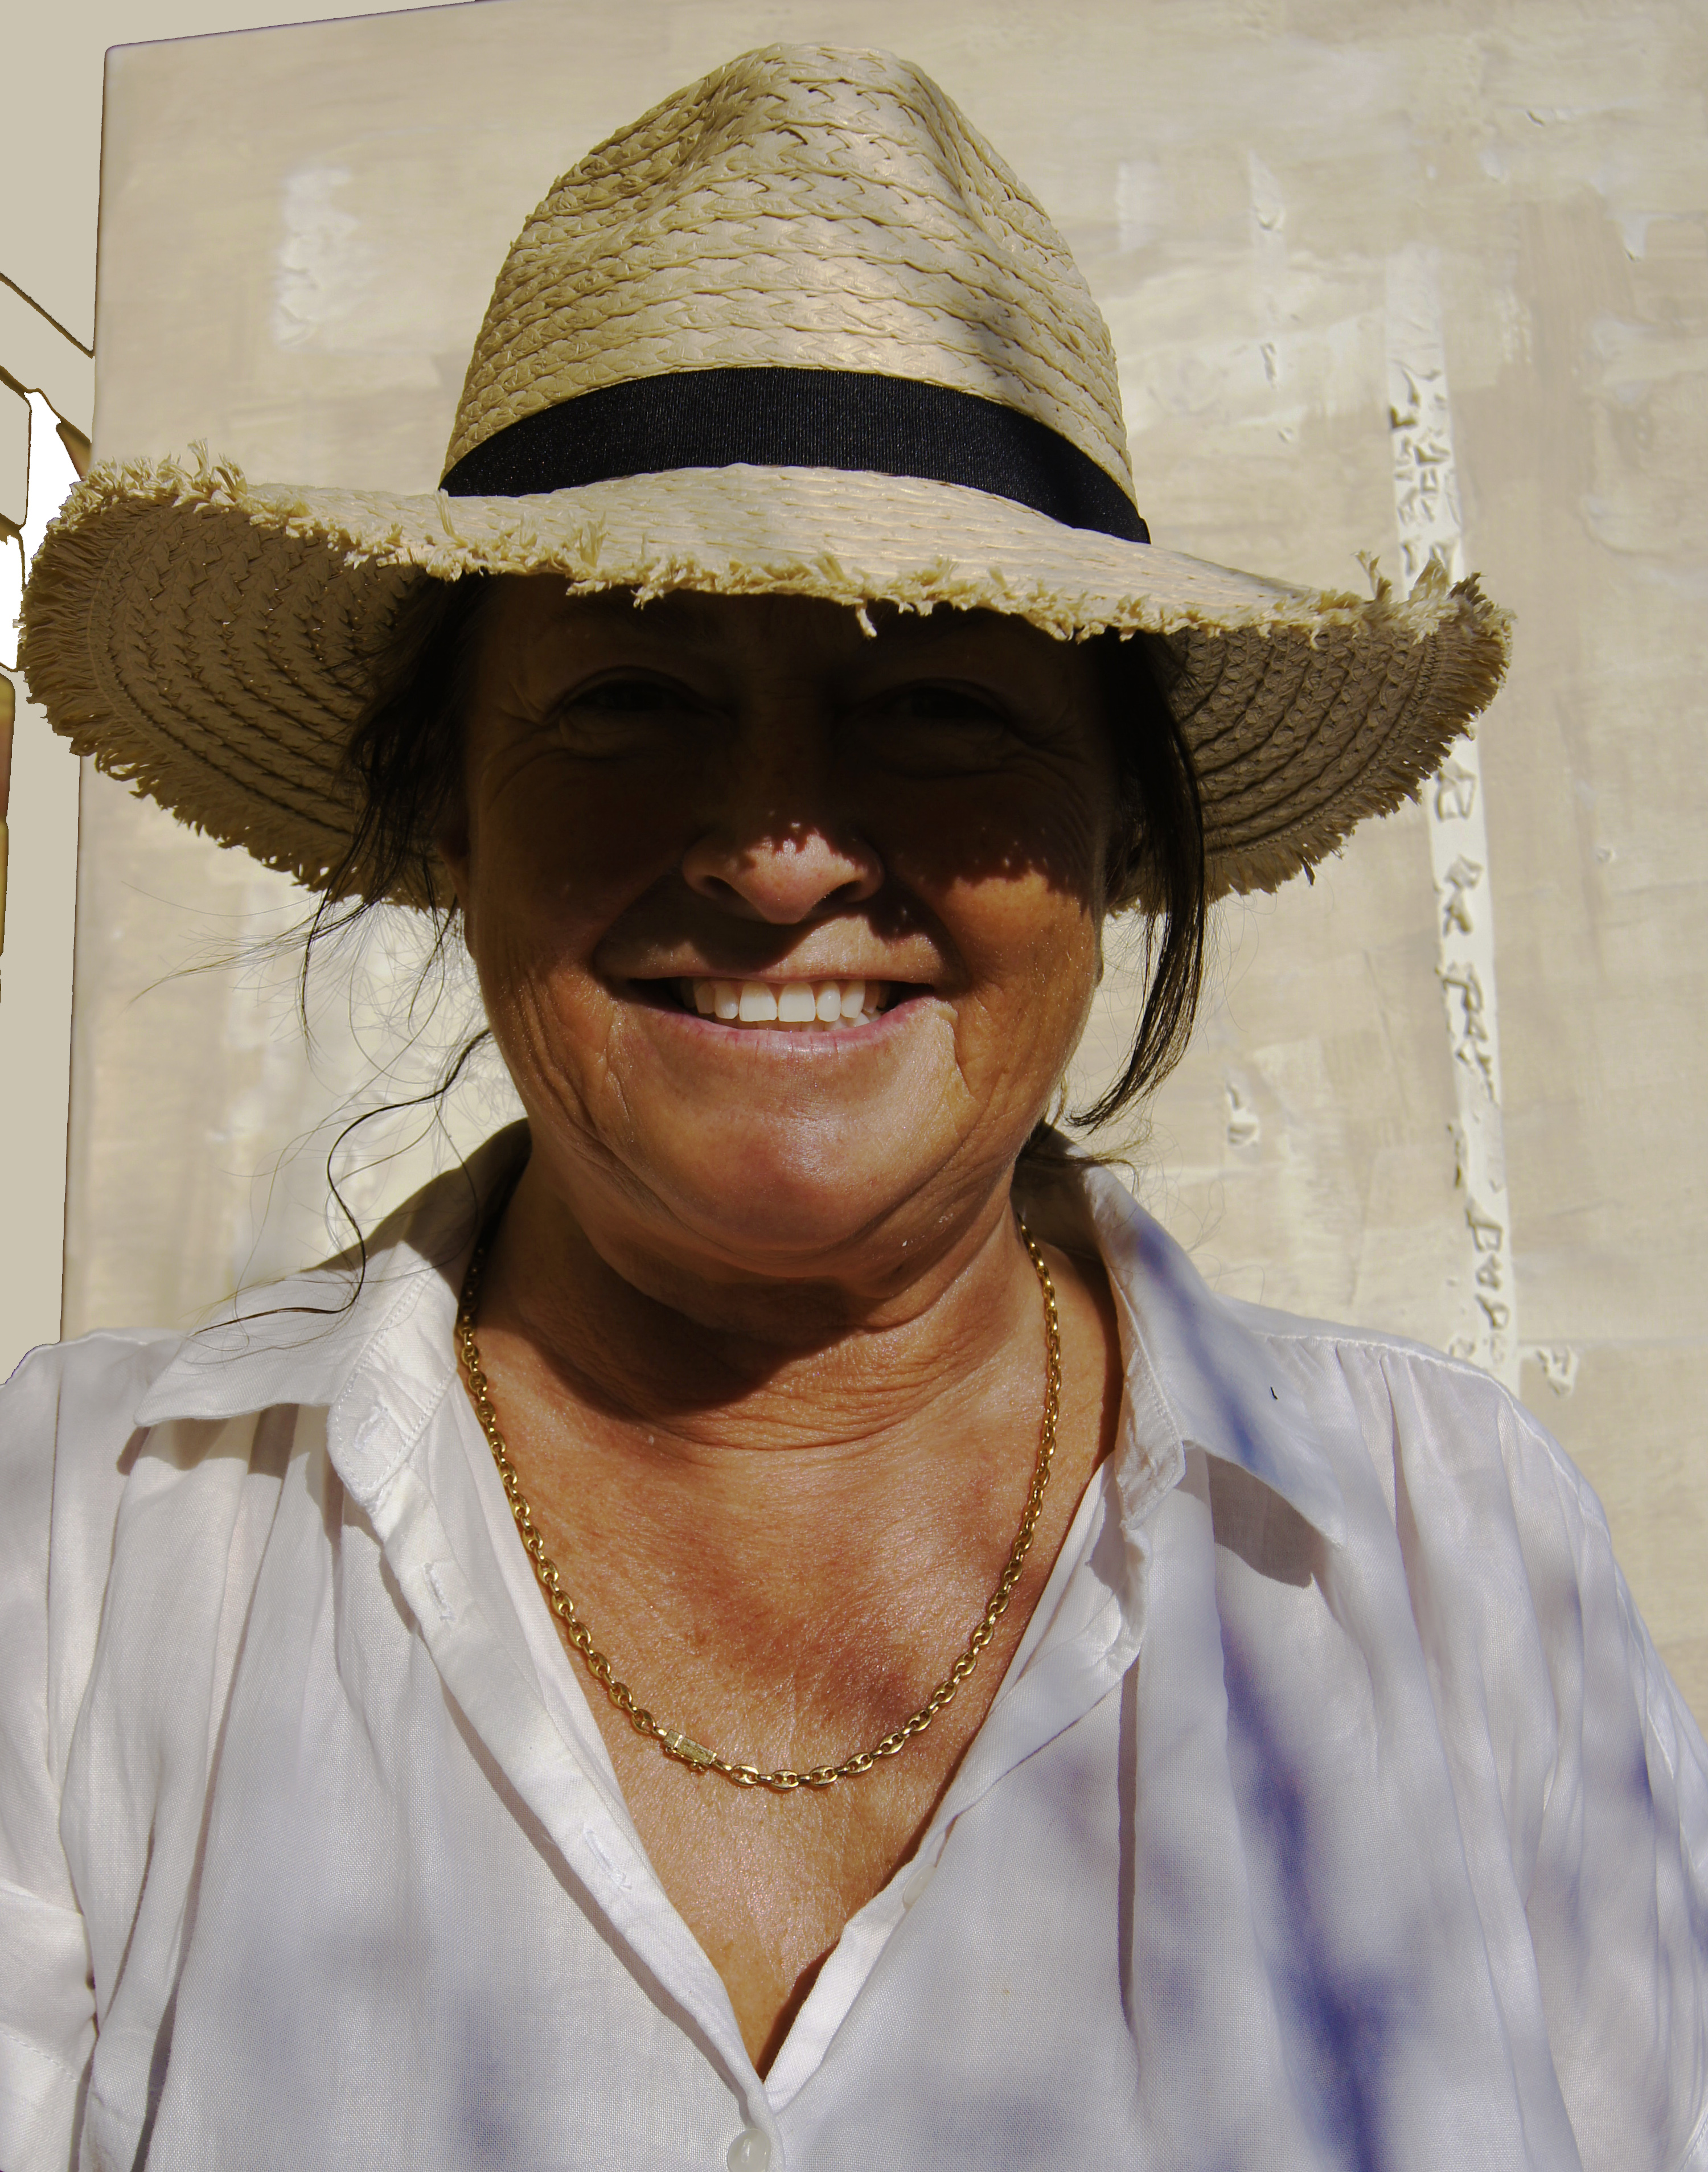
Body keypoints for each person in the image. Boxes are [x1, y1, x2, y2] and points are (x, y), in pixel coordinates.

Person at [5, 41, 1705, 2172]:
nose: (777, 853)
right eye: (632, 696)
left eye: (938, 705)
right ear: (455, 810)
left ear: (1115, 832)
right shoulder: (83, 1564)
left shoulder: (1459, 1565)